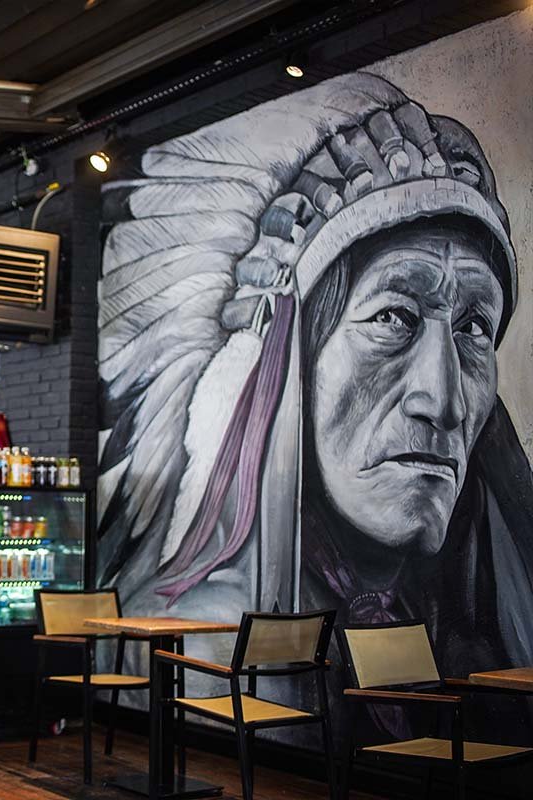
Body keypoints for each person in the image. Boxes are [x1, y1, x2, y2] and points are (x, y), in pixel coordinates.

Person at [96, 73, 533, 708]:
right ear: (292, 366)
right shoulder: (209, 638)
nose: (444, 403)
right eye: (393, 317)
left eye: (473, 329)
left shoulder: (485, 622)